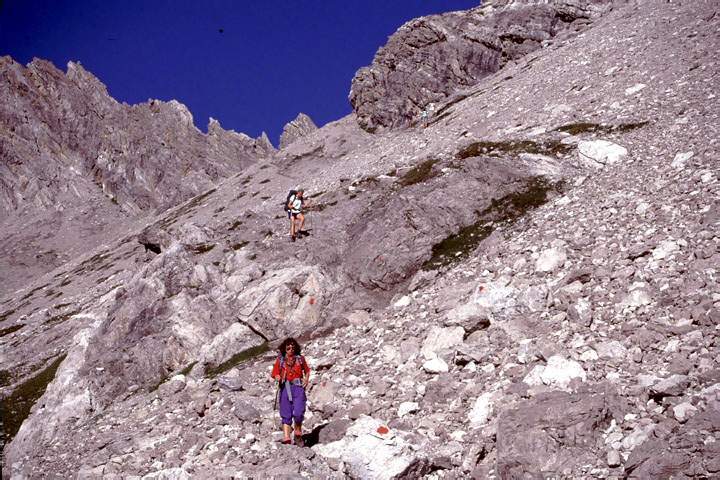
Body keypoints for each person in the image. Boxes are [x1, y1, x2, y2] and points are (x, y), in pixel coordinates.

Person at [271, 337, 310, 445]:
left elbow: (307, 370)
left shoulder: (300, 359)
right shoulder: (281, 360)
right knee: (286, 413)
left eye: (293, 347)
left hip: (298, 388)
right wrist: (278, 376)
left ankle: (298, 430)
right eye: (288, 347)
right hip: (285, 388)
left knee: (298, 412)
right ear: (284, 348)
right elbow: (274, 373)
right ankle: (287, 438)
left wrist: (306, 379)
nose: (291, 349)